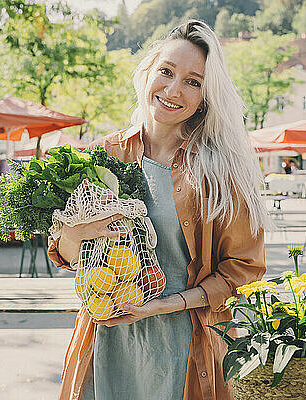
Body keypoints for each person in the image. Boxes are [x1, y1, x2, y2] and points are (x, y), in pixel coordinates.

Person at [48, 20, 268, 400]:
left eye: (192, 81)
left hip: (184, 343)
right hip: (107, 337)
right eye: (166, 71)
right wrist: (74, 233)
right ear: (147, 71)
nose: (173, 89)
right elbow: (68, 257)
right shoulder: (103, 155)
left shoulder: (221, 171)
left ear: (205, 96)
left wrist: (163, 305)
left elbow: (243, 270)